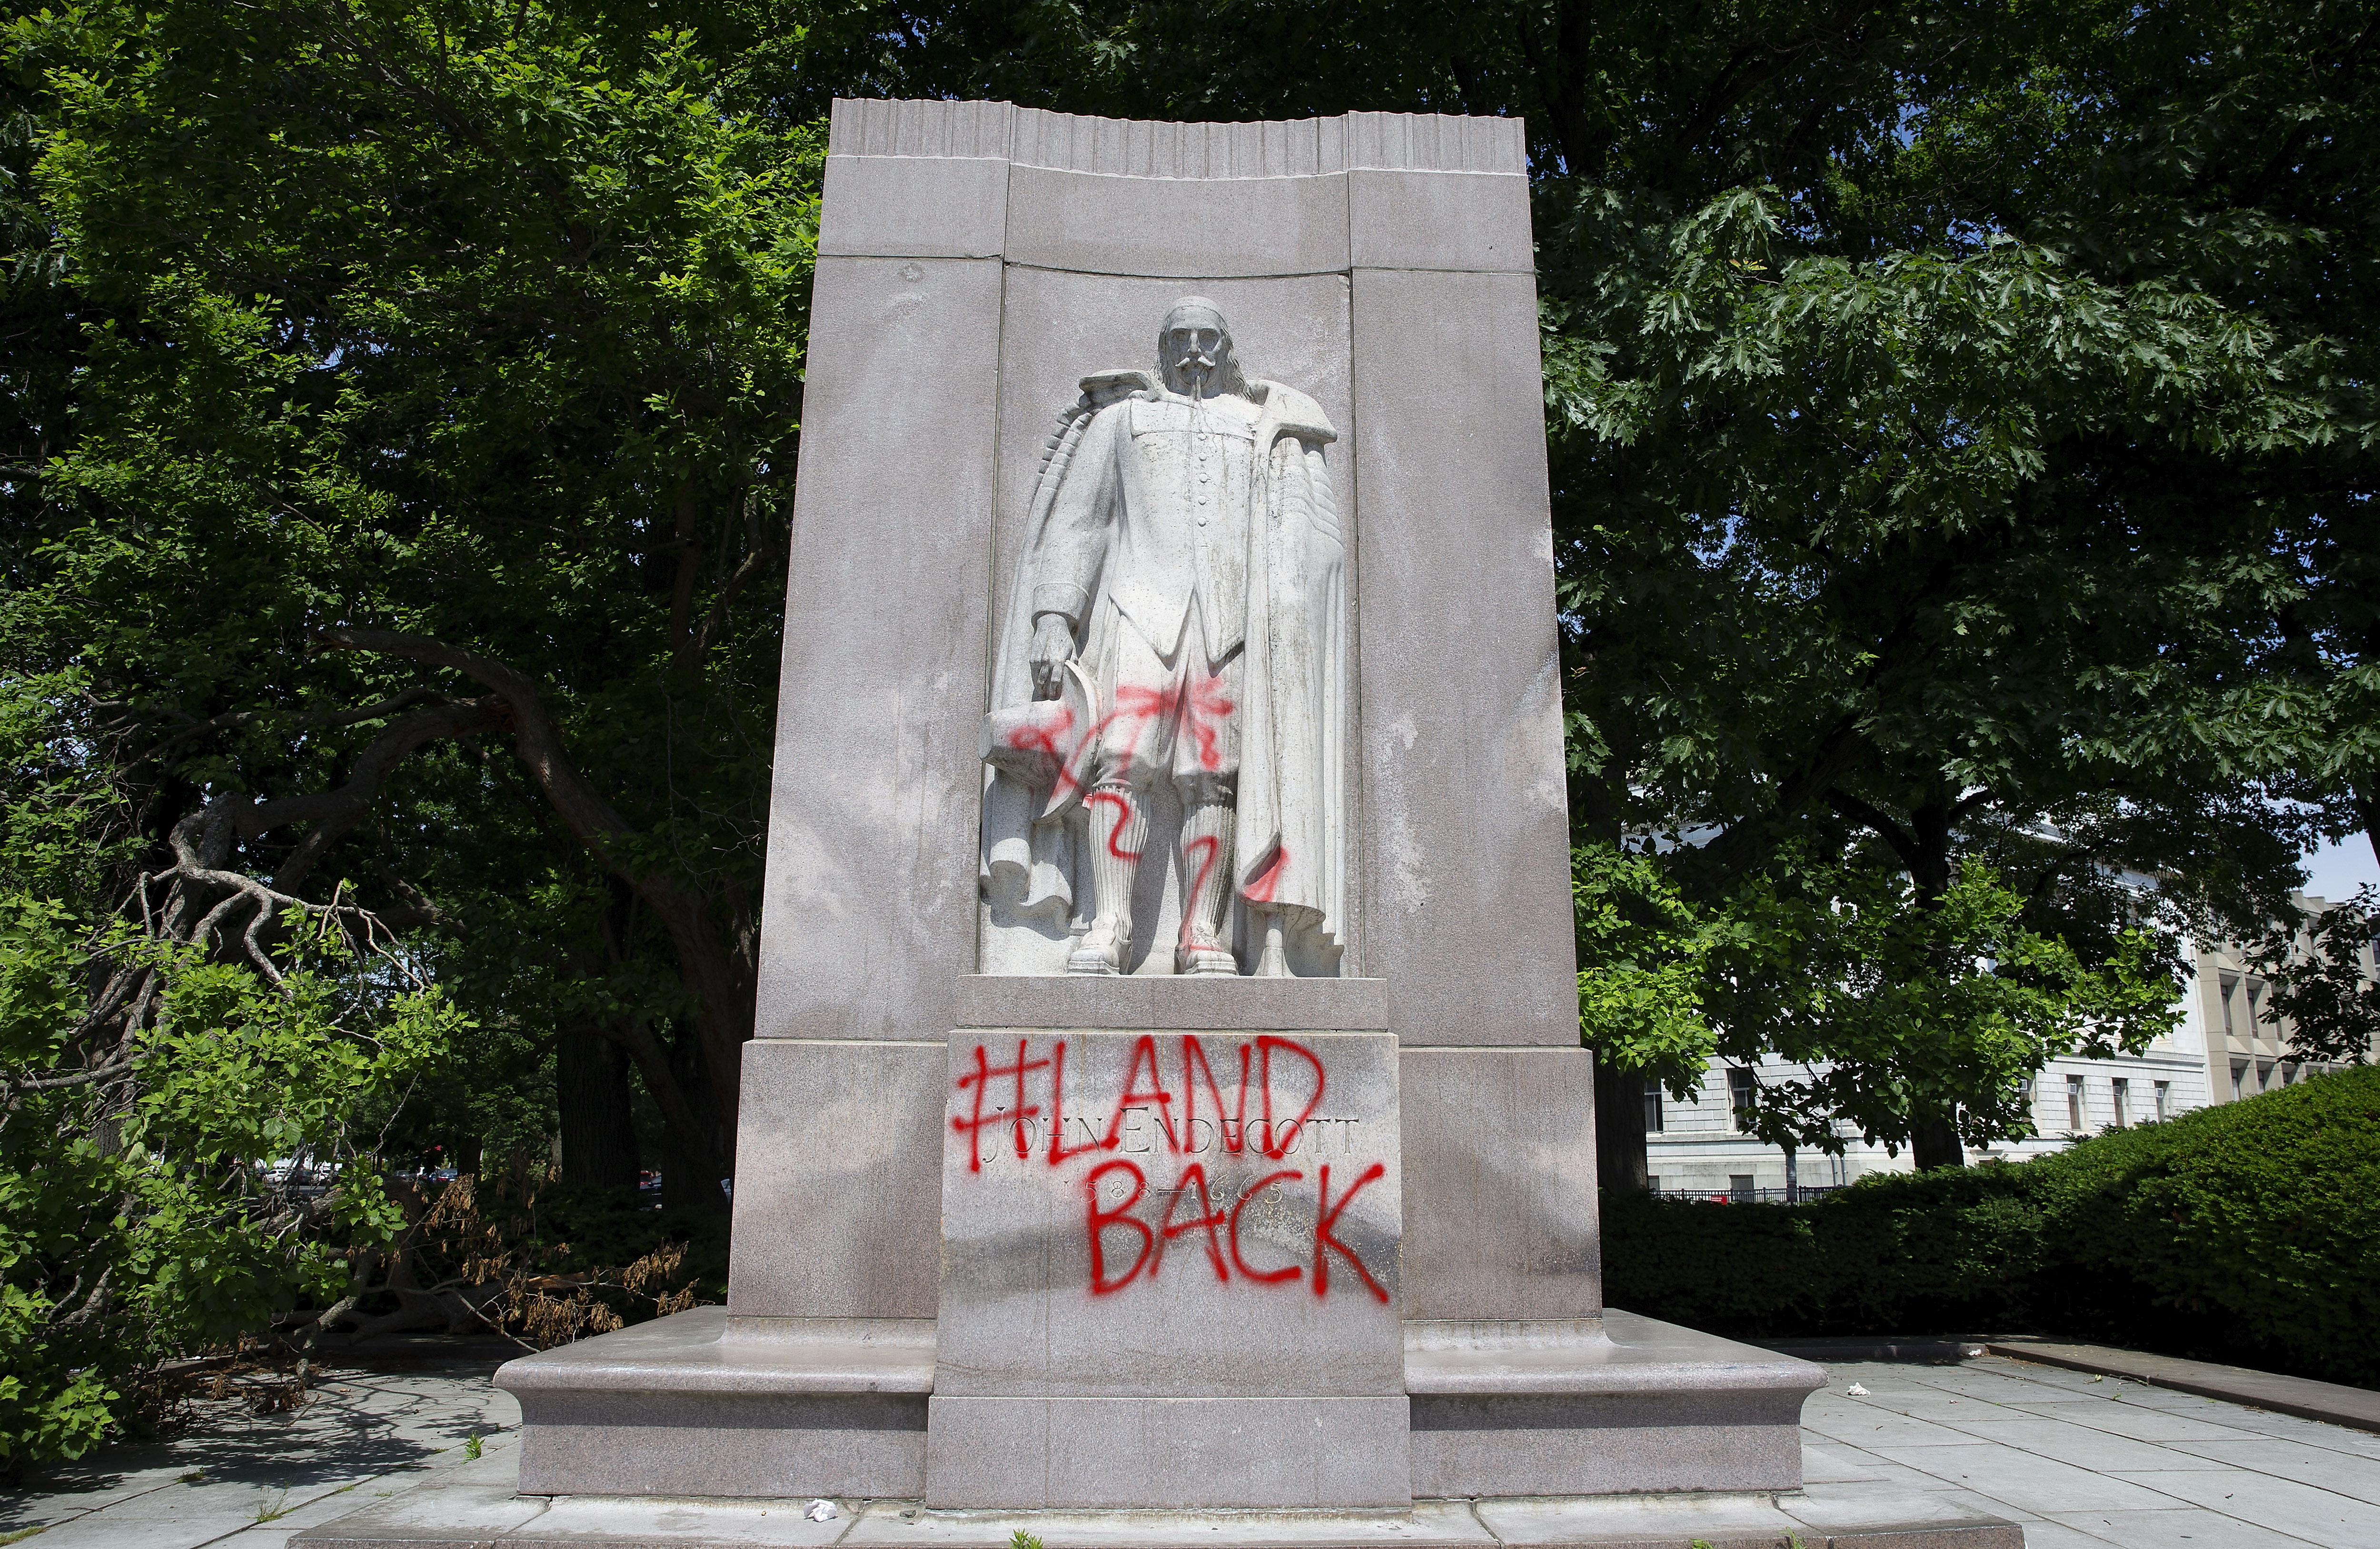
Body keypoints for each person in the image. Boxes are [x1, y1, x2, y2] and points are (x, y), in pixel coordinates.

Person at [981, 298, 1347, 976]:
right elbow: (1081, 523)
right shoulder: (1123, 421)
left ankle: (1202, 932)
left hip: (1230, 625)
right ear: (1162, 348)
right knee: (1120, 760)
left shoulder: (1256, 427)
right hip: (1136, 613)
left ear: (1227, 349)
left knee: (1212, 776)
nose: (1195, 353)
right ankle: (1111, 924)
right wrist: (1055, 617)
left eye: (1209, 339)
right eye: (1180, 340)